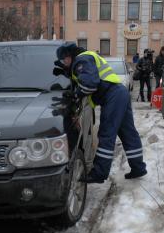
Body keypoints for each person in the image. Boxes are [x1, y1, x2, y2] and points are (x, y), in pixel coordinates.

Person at [53, 42, 147, 183]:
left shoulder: (81, 59)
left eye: (64, 59)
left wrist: (75, 94)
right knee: (128, 132)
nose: (64, 62)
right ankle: (138, 167)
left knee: (106, 133)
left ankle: (99, 173)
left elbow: (89, 83)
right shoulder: (84, 58)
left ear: (70, 55)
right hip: (120, 93)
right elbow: (85, 75)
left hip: (112, 96)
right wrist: (67, 72)